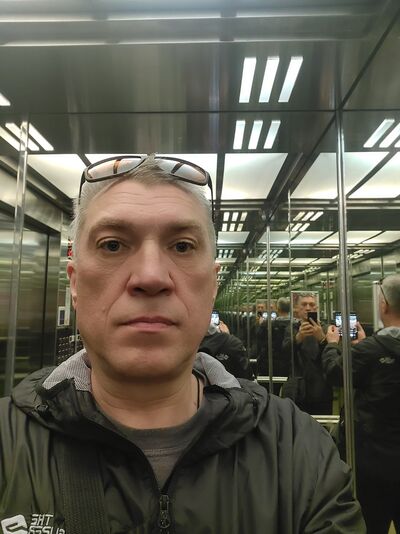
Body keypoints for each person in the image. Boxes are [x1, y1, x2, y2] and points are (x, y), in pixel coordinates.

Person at [0, 154, 365, 533]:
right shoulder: (8, 445)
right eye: (112, 245)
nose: (151, 276)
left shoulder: (297, 452)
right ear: (75, 282)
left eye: (182, 247)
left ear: (213, 285)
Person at [322, 274, 400, 534]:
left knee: (371, 524)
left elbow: (335, 373)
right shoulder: (369, 349)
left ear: (384, 305)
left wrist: (332, 345)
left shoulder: (370, 350)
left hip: (374, 462)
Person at [282, 292, 333, 414]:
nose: (308, 308)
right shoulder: (291, 329)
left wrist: (322, 339)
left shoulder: (327, 329)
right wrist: (298, 339)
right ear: (297, 309)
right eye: (304, 305)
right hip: (296, 390)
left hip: (321, 390)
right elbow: (284, 355)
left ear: (317, 308)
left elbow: (333, 356)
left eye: (312, 305)